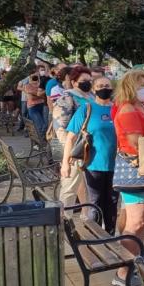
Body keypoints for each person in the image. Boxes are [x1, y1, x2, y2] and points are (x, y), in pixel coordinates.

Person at [111, 69, 144, 286]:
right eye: (142, 85)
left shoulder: (143, 106)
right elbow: (136, 142)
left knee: (143, 222)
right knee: (135, 222)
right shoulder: (128, 109)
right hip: (134, 171)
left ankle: (136, 265)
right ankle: (123, 272)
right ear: (130, 86)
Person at [63, 75, 118, 233]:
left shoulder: (117, 109)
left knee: (112, 203)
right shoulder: (86, 109)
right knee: (96, 202)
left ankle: (110, 236)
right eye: (100, 86)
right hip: (94, 164)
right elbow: (71, 137)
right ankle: (94, 237)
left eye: (107, 85)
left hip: (116, 165)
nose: (104, 88)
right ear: (94, 89)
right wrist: (65, 163)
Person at [53, 67, 94, 207]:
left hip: (91, 148)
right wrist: (70, 151)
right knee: (69, 187)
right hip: (75, 150)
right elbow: (60, 127)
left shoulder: (92, 97)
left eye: (90, 80)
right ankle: (64, 221)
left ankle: (86, 213)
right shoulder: (67, 98)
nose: (88, 83)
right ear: (74, 82)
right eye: (84, 81)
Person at [23, 71, 48, 138]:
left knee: (45, 124)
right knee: (40, 124)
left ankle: (42, 139)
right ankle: (41, 141)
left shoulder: (41, 84)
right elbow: (32, 98)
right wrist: (40, 94)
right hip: (33, 107)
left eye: (36, 77)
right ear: (30, 78)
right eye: (33, 77)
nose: (35, 78)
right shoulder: (27, 86)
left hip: (42, 106)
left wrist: (37, 94)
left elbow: (42, 95)